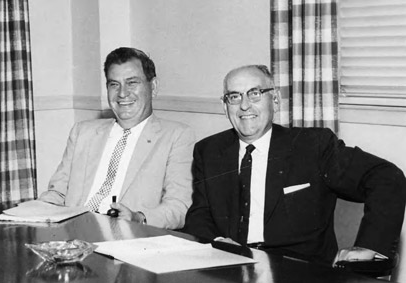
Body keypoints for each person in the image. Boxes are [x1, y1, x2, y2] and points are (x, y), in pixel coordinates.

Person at [182, 65, 406, 265]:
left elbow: (387, 177)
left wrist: (369, 247)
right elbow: (199, 215)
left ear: (276, 100)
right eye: (234, 97)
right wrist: (220, 242)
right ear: (225, 106)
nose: (245, 106)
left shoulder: (313, 146)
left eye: (255, 94)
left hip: (300, 269)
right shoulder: (209, 150)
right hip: (230, 265)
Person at [37, 47, 195, 229]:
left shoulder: (177, 136)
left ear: (153, 87)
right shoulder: (83, 132)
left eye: (132, 83)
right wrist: (31, 213)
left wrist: (138, 218)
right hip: (73, 234)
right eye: (114, 84)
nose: (122, 93)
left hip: (127, 240)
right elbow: (58, 194)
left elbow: (179, 206)